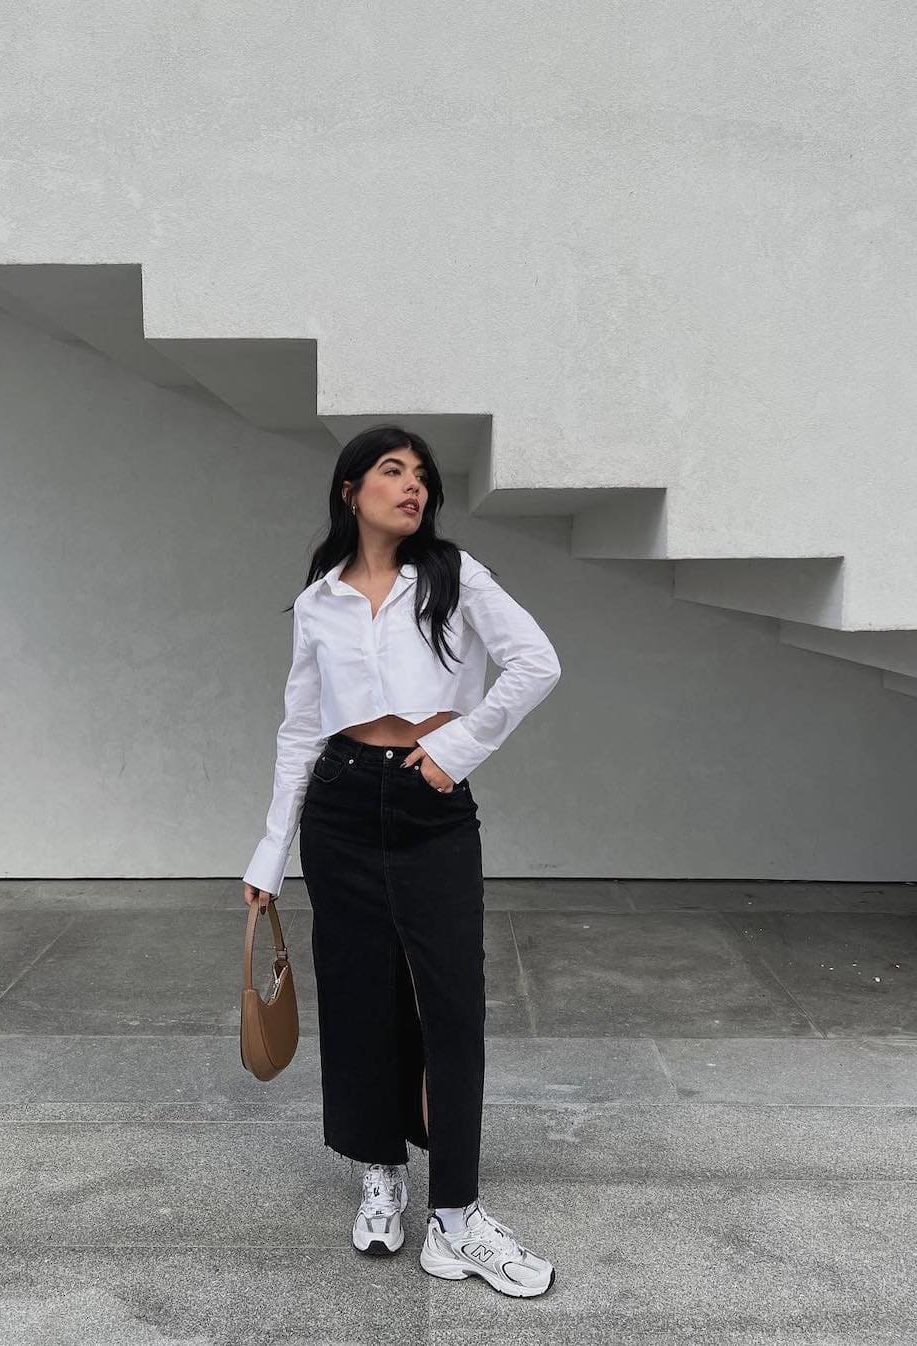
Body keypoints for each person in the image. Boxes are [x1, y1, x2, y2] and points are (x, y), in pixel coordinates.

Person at [242, 422, 561, 1298]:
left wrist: (458, 747)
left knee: (453, 1004)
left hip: (430, 804)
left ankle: (455, 1218)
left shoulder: (453, 576)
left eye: (422, 475)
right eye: (392, 471)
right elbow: (300, 727)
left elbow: (537, 662)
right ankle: (381, 1169)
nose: (412, 486)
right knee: (358, 994)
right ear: (352, 490)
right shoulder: (319, 601)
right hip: (341, 804)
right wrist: (270, 849)